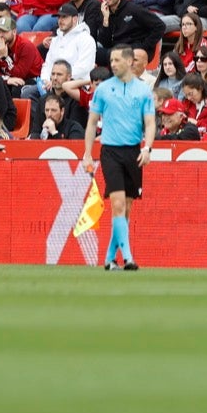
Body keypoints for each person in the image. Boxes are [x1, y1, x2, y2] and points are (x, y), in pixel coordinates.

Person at [81, 44, 156, 271]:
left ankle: (109, 258)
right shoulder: (103, 90)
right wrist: (87, 154)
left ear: (129, 61)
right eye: (111, 61)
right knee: (117, 204)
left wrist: (148, 148)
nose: (112, 64)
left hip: (133, 151)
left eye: (116, 60)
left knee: (126, 208)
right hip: (110, 151)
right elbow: (92, 122)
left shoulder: (143, 91)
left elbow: (150, 122)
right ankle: (129, 258)